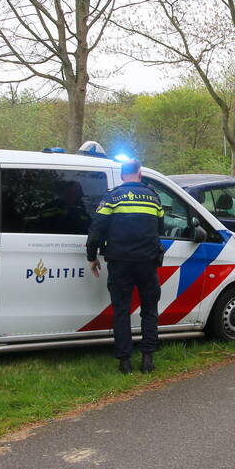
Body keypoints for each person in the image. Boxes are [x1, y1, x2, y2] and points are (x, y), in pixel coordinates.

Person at [86, 159, 165, 374]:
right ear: (140, 174)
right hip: (147, 263)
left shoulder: (112, 197)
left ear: (122, 176)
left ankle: (125, 362)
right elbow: (160, 228)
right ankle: (147, 360)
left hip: (120, 263)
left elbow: (96, 229)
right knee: (149, 310)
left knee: (121, 310)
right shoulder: (154, 197)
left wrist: (92, 256)